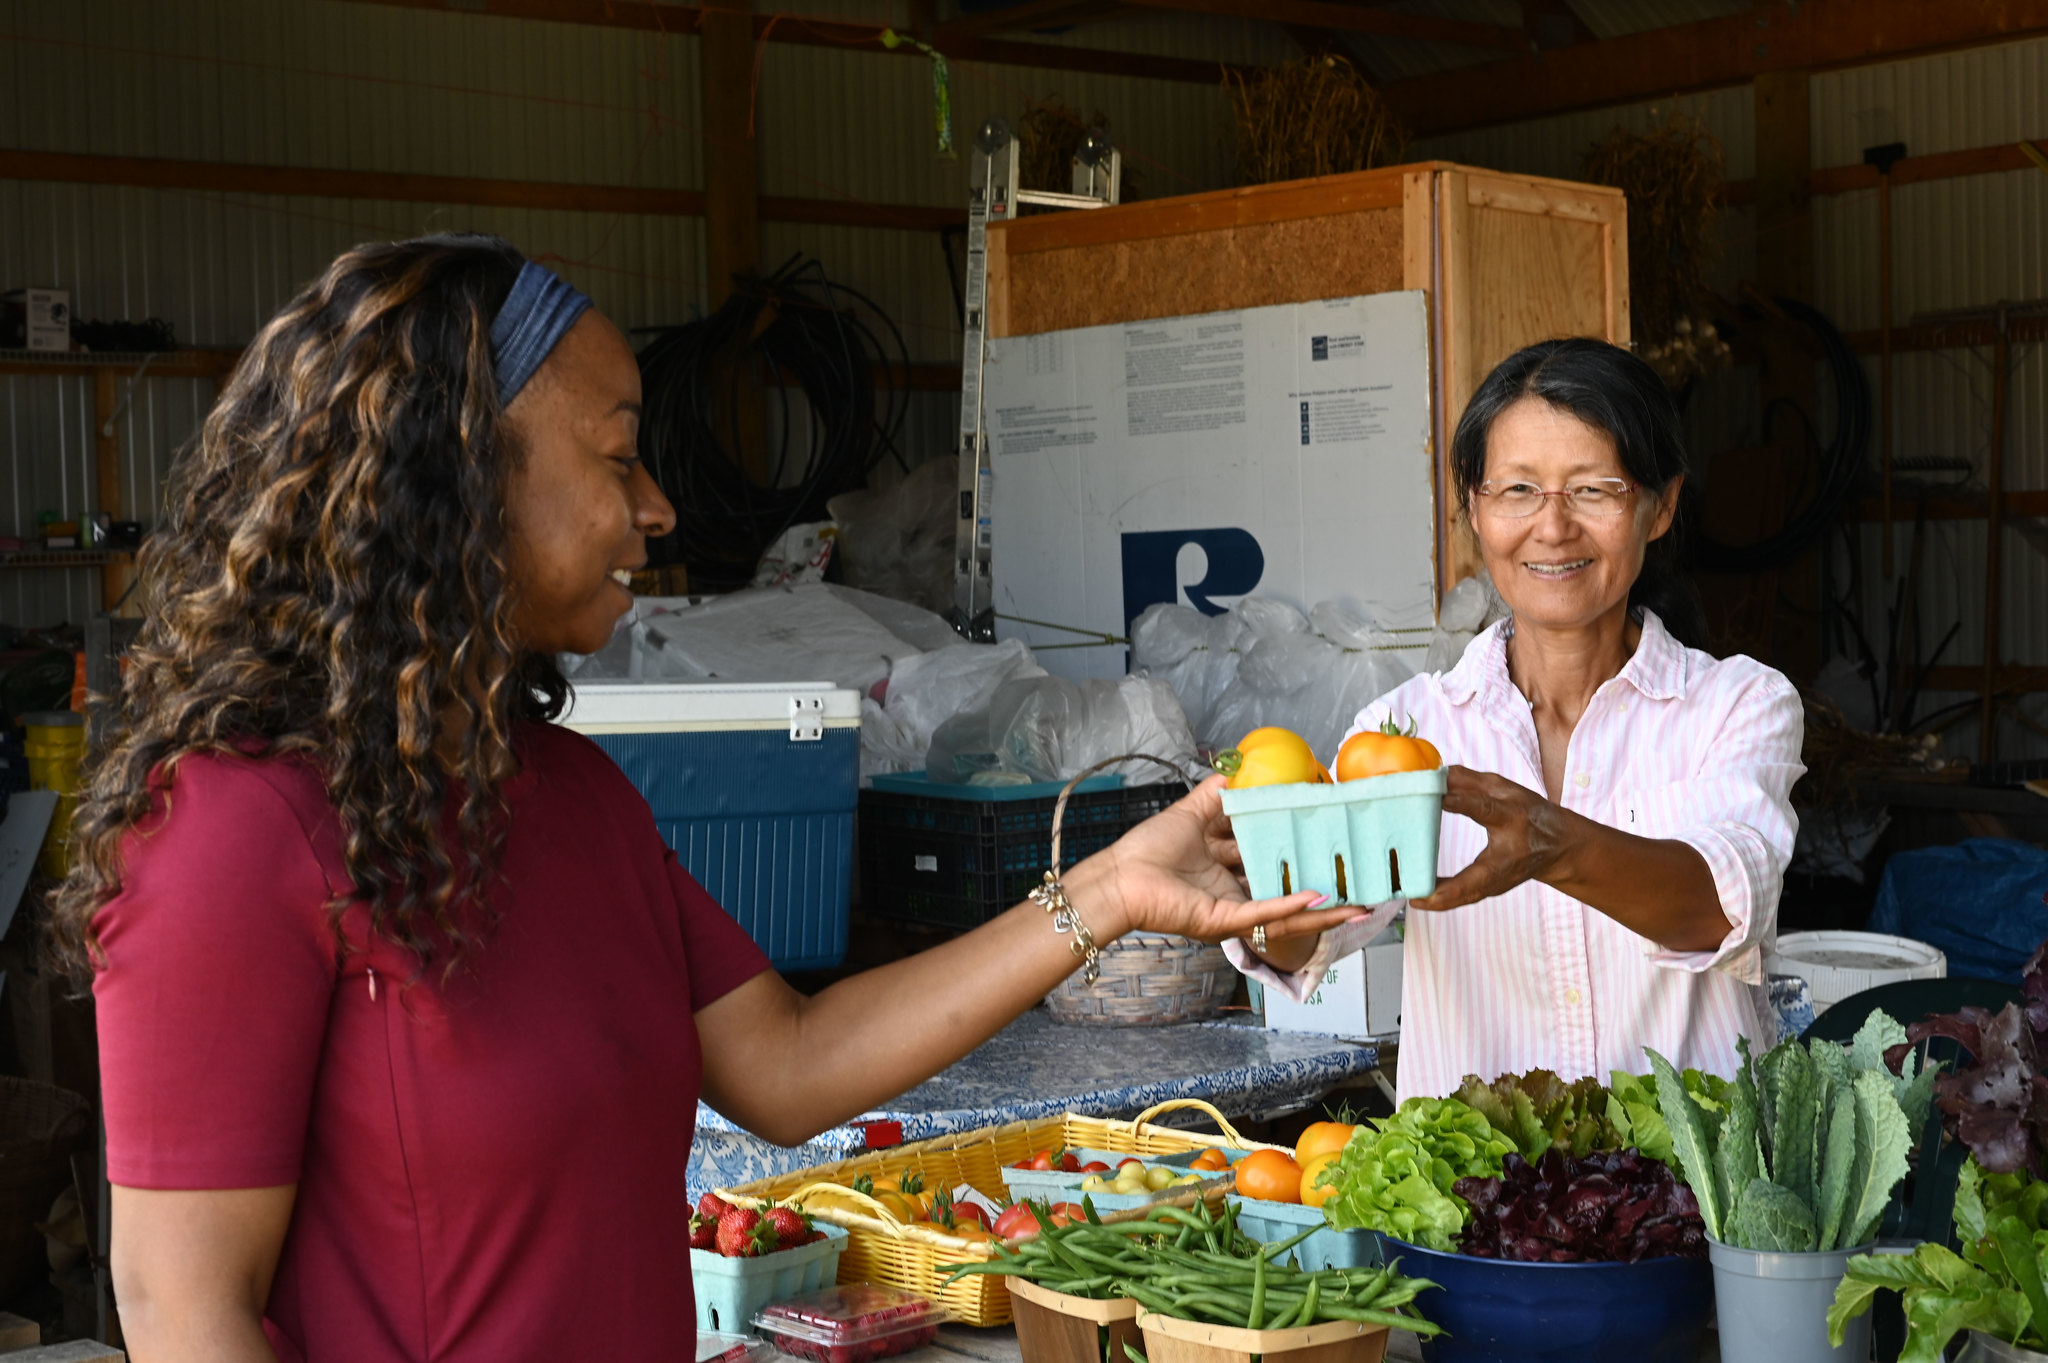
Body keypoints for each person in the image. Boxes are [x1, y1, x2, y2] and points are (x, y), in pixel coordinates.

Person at [48, 234, 1360, 1363]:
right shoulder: (230, 826)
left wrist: (1110, 888)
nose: (659, 508)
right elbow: (180, 1303)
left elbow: (788, 1065)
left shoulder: (570, 794)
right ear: (453, 474)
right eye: (618, 458)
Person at [1229, 337, 1804, 1105]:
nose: (1554, 527)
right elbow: (1306, 939)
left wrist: (1547, 843)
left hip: (1691, 1199)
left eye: (1594, 490)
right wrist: (1264, 882)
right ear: (1475, 507)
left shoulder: (1738, 705)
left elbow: (1718, 908)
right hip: (1479, 1205)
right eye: (1518, 490)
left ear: (1660, 506)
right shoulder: (1404, 729)